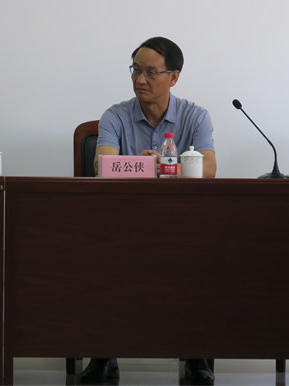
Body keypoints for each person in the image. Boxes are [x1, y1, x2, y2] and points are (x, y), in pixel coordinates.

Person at [84, 36, 217, 386]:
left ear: (173, 77)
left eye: (150, 72)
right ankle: (102, 354)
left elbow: (209, 169)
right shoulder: (115, 115)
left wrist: (167, 165)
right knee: (97, 258)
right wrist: (141, 167)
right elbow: (102, 165)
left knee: (201, 262)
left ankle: (195, 355)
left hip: (182, 224)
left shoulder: (195, 116)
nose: (140, 79)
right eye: (135, 71)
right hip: (122, 222)